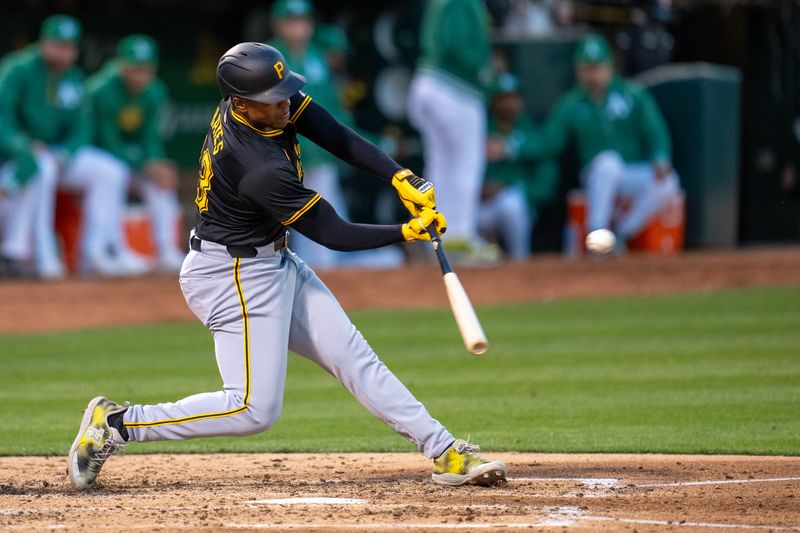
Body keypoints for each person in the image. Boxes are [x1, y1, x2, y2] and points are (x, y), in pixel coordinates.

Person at [67, 43, 507, 490]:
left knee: (354, 357)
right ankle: (118, 423)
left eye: (285, 93)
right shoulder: (255, 165)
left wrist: (397, 175)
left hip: (271, 260)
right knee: (252, 410)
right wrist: (406, 232)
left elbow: (332, 132)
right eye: (274, 98)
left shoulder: (256, 100)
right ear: (240, 102)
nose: (286, 104)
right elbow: (332, 232)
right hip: (230, 278)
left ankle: (444, 451)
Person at [533, 33, 679, 249]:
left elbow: (655, 131)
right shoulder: (572, 104)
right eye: (587, 68)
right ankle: (598, 237)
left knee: (668, 182)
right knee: (608, 163)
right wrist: (513, 146)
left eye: (597, 67)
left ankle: (621, 234)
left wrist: (660, 157)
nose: (593, 74)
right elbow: (549, 141)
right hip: (595, 174)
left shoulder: (632, 94)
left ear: (609, 66)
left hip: (630, 171)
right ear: (578, 70)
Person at [407, 0, 498, 263]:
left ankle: (436, 235)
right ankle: (460, 236)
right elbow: (454, 44)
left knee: (441, 163)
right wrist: (484, 72)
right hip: (452, 87)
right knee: (466, 162)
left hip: (429, 82)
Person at [0, 14, 89, 278]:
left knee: (107, 172)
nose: (63, 52)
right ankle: (36, 253)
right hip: (10, 158)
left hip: (46, 157)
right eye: (57, 44)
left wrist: (65, 152)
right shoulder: (18, 69)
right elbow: (3, 118)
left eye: (69, 46)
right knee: (39, 167)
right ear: (43, 43)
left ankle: (95, 253)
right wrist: (22, 145)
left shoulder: (74, 77)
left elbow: (83, 128)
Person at [87, 34, 185, 272]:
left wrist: (156, 163)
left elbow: (151, 138)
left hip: (133, 161)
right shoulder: (101, 90)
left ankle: (167, 250)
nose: (139, 75)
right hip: (100, 158)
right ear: (120, 64)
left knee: (160, 180)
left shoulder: (155, 91)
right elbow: (106, 142)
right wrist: (144, 163)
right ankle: (113, 251)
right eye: (133, 68)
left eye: (145, 69)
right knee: (115, 173)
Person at [268, 0, 352, 269]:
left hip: (317, 151)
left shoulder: (317, 54)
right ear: (278, 24)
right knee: (281, 221)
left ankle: (324, 274)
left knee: (322, 216)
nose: (299, 26)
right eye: (292, 20)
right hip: (281, 151)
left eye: (303, 20)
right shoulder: (268, 56)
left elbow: (330, 105)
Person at [481, 72, 559, 260]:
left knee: (512, 203)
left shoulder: (530, 129)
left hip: (514, 205)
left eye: (513, 98)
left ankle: (520, 262)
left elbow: (545, 172)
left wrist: (507, 184)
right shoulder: (480, 129)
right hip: (481, 207)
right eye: (503, 99)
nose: (508, 105)